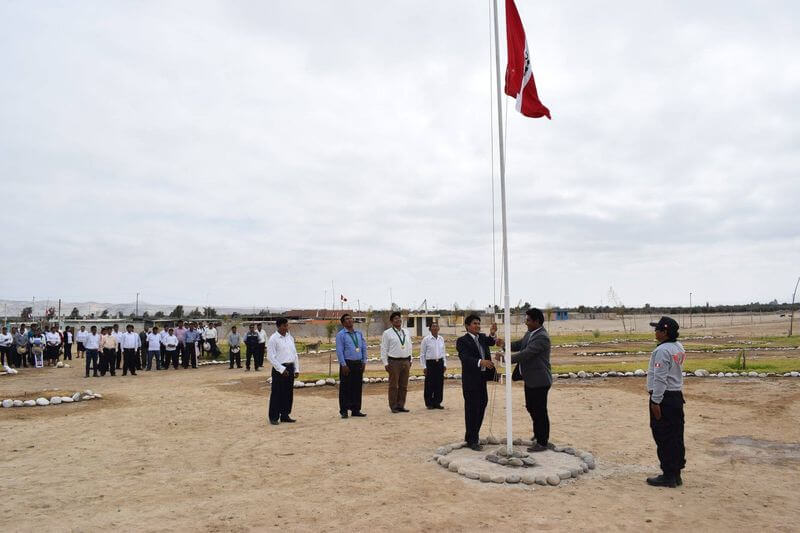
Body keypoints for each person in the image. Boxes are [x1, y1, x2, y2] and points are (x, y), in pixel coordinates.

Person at [496, 307, 552, 452]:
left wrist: (506, 358)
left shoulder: (542, 337)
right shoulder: (531, 333)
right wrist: (504, 344)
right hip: (530, 379)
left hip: (540, 380)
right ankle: (539, 434)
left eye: (528, 320)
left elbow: (526, 353)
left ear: (537, 321)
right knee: (531, 407)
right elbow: (520, 344)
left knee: (539, 410)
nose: (525, 323)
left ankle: (542, 442)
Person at [646, 316, 686, 488]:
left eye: (657, 329)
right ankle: (676, 473)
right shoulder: (678, 347)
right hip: (676, 395)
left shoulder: (662, 351)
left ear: (665, 332)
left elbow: (660, 379)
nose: (655, 332)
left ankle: (668, 475)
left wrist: (655, 401)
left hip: (664, 398)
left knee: (663, 435)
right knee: (676, 435)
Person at [456, 314, 497, 451]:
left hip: (482, 379)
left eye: (479, 323)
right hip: (470, 381)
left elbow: (491, 342)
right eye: (475, 323)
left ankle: (475, 435)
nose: (478, 326)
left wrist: (492, 333)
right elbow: (465, 358)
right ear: (467, 326)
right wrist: (480, 362)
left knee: (482, 405)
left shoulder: (482, 338)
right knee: (472, 409)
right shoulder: (462, 341)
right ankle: (471, 439)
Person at [267, 318, 300, 425]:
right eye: (285, 326)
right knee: (277, 394)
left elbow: (294, 354)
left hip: (290, 368)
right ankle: (274, 417)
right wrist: (281, 369)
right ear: (279, 326)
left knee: (288, 393)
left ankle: (285, 415)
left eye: (287, 325)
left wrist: (296, 369)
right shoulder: (273, 339)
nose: (287, 327)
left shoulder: (290, 337)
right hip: (279, 369)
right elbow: (270, 357)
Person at [335, 313, 367, 418]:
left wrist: (364, 361)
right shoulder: (341, 335)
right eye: (347, 319)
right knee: (345, 388)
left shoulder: (359, 334)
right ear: (343, 323)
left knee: (357, 387)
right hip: (347, 364)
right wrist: (343, 364)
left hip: (358, 363)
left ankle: (356, 410)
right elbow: (339, 351)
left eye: (350, 319)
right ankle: (344, 411)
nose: (349, 320)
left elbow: (363, 348)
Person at [380, 311, 413, 413]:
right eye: (395, 319)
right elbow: (384, 349)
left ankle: (401, 405)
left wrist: (410, 359)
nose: (398, 320)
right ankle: (393, 406)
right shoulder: (387, 333)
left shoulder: (406, 332)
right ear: (391, 321)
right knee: (393, 385)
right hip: (394, 362)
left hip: (406, 361)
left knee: (404, 385)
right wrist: (385, 363)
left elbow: (410, 346)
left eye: (399, 318)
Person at [420, 322, 447, 409]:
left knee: (439, 383)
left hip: (439, 363)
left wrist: (445, 364)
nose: (435, 328)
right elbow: (422, 354)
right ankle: (429, 403)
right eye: (433, 326)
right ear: (430, 329)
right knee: (429, 384)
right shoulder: (426, 340)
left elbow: (443, 352)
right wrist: (424, 366)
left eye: (436, 326)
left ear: (439, 328)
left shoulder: (441, 339)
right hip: (430, 364)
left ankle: (437, 402)